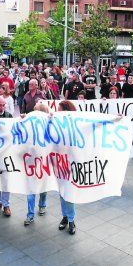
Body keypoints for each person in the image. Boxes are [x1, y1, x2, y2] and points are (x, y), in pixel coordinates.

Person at [24, 102, 49, 226]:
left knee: (42, 187)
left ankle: (41, 205)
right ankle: (30, 213)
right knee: (31, 189)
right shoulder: (28, 125)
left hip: (43, 161)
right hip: (31, 162)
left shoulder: (50, 125)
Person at [57, 100, 77, 235]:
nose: (58, 112)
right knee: (61, 192)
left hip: (70, 163)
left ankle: (71, 219)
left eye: (60, 110)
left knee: (68, 193)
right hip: (58, 163)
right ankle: (65, 216)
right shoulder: (56, 123)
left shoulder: (75, 124)